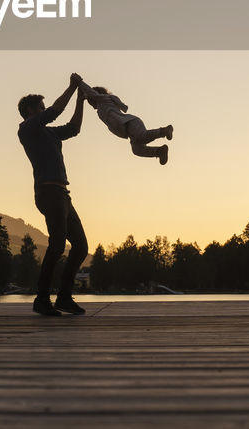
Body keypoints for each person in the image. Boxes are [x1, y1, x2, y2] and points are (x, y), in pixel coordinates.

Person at [16, 72, 90, 317]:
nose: (45, 110)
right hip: (48, 192)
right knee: (57, 245)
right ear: (30, 110)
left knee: (80, 247)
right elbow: (56, 111)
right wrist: (70, 88)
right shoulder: (27, 129)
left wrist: (80, 100)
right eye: (41, 107)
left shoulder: (49, 133)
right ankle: (42, 299)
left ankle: (64, 299)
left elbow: (74, 128)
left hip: (63, 194)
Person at [79, 82, 173, 165]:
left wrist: (79, 82)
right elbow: (91, 95)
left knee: (141, 137)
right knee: (136, 150)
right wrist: (82, 98)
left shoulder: (104, 100)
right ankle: (160, 151)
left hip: (130, 123)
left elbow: (91, 93)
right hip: (128, 130)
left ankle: (165, 130)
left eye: (90, 101)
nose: (90, 104)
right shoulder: (100, 108)